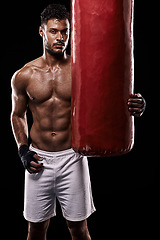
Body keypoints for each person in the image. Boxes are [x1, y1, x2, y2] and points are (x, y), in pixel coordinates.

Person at [11, 4, 146, 240]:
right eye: (54, 31)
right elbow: (17, 114)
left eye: (65, 31)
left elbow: (110, 96)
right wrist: (23, 149)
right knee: (36, 230)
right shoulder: (24, 75)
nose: (60, 37)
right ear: (41, 31)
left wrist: (137, 104)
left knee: (79, 229)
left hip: (72, 158)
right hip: (38, 160)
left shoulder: (80, 71)